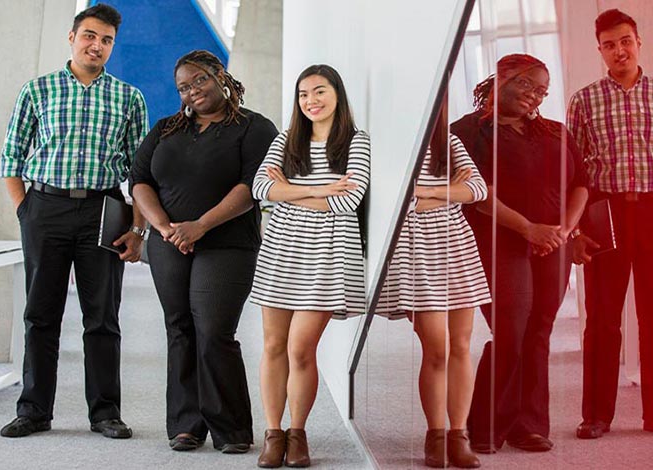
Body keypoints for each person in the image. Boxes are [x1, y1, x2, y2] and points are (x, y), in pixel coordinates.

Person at [0, 3, 148, 439]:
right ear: (72, 37)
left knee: (102, 317)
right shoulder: (37, 90)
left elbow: (140, 174)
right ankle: (33, 410)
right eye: (89, 36)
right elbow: (12, 154)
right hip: (44, 208)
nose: (96, 45)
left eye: (106, 40)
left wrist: (138, 230)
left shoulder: (128, 98)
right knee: (40, 314)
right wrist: (25, 209)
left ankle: (105, 413)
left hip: (104, 211)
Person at [129, 50, 277, 454]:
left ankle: (231, 429)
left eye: (199, 80)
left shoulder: (253, 127)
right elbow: (139, 179)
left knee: (213, 330)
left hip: (227, 243)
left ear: (219, 75)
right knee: (179, 328)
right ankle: (186, 425)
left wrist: (201, 225)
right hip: (169, 242)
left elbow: (252, 187)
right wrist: (162, 226)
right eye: (183, 87)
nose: (192, 91)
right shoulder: (166, 129)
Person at [451, 54, 588, 453]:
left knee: (539, 331)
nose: (535, 96)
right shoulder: (466, 132)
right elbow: (477, 195)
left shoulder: (557, 132)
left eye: (542, 90)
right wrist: (529, 228)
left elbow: (580, 183)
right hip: (498, 242)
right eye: (528, 85)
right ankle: (485, 425)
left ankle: (529, 424)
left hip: (553, 246)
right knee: (510, 330)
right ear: (504, 77)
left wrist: (563, 229)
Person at [250, 64, 370, 468]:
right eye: (303, 94)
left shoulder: (357, 141)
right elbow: (261, 188)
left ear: (337, 93)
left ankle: (297, 433)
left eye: (319, 91)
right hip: (283, 249)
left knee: (301, 347)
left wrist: (290, 192)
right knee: (272, 345)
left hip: (328, 254)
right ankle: (273, 432)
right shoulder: (287, 139)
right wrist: (320, 188)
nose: (311, 101)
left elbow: (348, 200)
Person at [376, 93, 489, 469]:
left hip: (455, 247)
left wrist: (424, 192)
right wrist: (444, 192)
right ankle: (434, 433)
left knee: (461, 344)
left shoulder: (449, 143)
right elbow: (391, 202)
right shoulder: (386, 146)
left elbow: (476, 190)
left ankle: (458, 435)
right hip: (415, 251)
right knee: (436, 347)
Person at [567, 9, 653, 439]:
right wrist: (578, 229)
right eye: (609, 44)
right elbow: (574, 172)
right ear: (599, 49)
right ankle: (596, 415)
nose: (619, 50)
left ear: (638, 41)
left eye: (626, 41)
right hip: (606, 214)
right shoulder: (584, 100)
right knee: (602, 318)